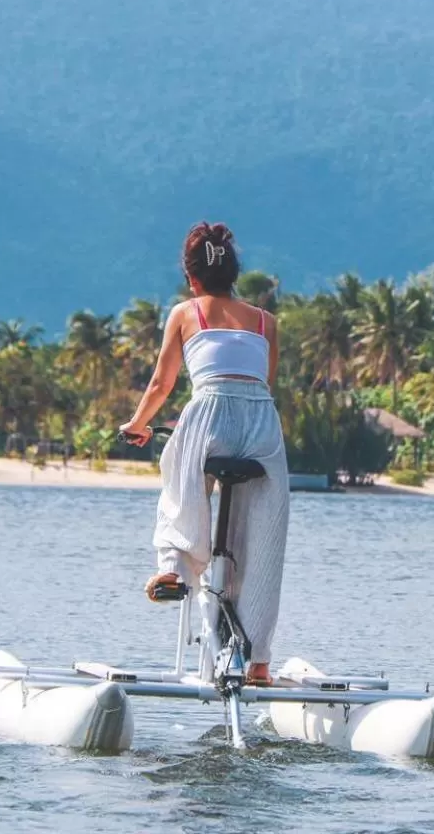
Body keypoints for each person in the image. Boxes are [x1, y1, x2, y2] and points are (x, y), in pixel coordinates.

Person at [119, 222, 290, 686]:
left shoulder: (185, 313)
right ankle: (258, 664)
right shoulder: (265, 322)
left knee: (179, 477)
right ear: (234, 274)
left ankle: (174, 569)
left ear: (192, 279)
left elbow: (162, 384)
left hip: (210, 412)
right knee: (263, 539)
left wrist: (137, 425)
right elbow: (262, 383)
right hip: (261, 424)